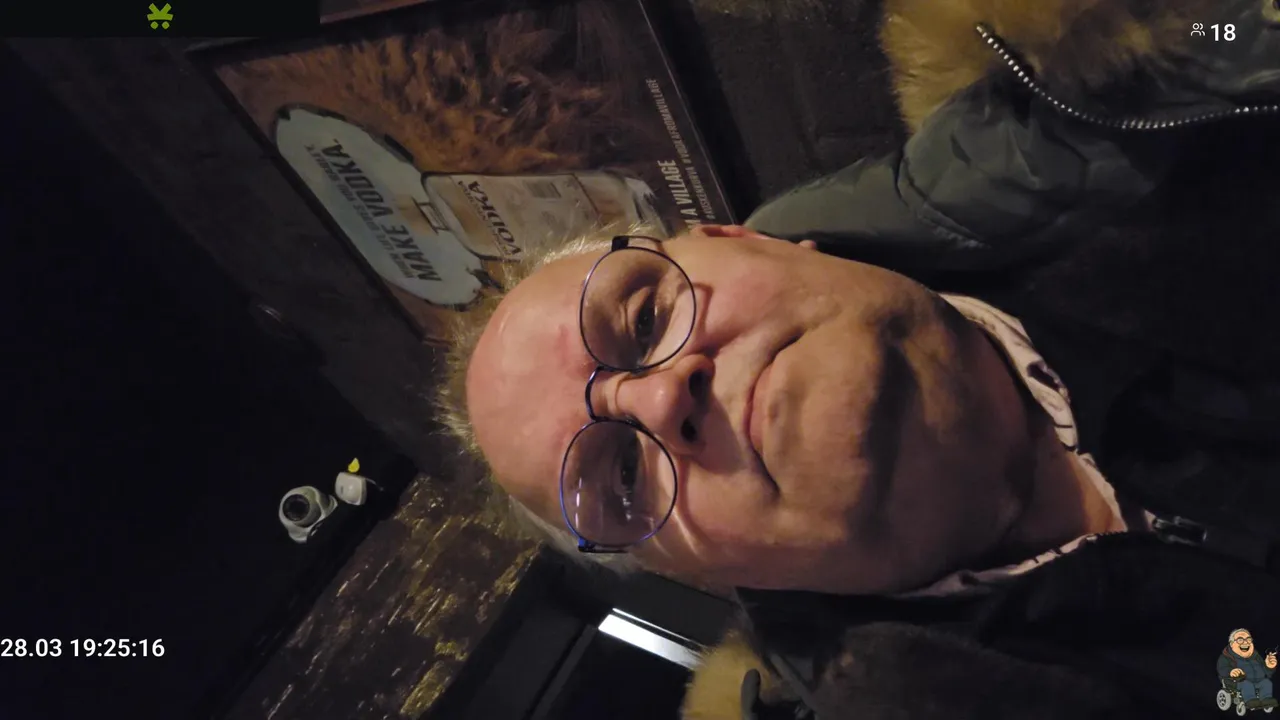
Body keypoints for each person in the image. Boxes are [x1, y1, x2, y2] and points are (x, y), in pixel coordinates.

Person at [436, 0, 1280, 716]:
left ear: (745, 240)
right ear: (698, 572)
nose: (659, 401)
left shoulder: (1183, 56)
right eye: (622, 475)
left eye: (648, 317)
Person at [1218, 629, 1278, 710]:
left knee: (1266, 682)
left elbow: (1267, 672)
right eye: (1240, 640)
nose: (1245, 642)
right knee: (1247, 684)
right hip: (1237, 682)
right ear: (1232, 644)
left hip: (1258, 681)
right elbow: (1222, 668)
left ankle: (1266, 699)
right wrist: (1231, 671)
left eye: (1248, 639)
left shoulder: (1256, 656)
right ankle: (1250, 700)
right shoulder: (1226, 657)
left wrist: (1269, 667)